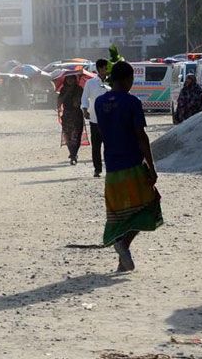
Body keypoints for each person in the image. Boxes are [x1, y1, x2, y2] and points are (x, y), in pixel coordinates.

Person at [94, 61, 163, 273]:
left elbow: (102, 132)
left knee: (121, 213)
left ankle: (122, 261)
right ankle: (123, 244)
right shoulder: (132, 102)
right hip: (132, 164)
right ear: (126, 79)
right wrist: (151, 166)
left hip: (112, 167)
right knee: (150, 204)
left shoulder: (99, 102)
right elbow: (141, 136)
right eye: (131, 79)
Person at [81, 58, 111, 177]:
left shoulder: (112, 83)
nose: (107, 70)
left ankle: (110, 168)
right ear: (99, 69)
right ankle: (97, 169)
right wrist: (84, 109)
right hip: (95, 119)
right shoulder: (90, 83)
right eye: (105, 68)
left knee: (109, 146)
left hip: (110, 120)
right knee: (96, 146)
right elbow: (84, 98)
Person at [57, 74, 85, 165]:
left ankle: (74, 154)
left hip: (76, 115)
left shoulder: (79, 89)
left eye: (72, 78)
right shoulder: (63, 89)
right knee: (68, 136)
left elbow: (77, 104)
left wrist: (77, 98)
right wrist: (67, 92)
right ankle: (72, 154)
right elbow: (59, 102)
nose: (70, 80)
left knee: (76, 136)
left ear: (75, 79)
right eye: (68, 78)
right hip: (67, 116)